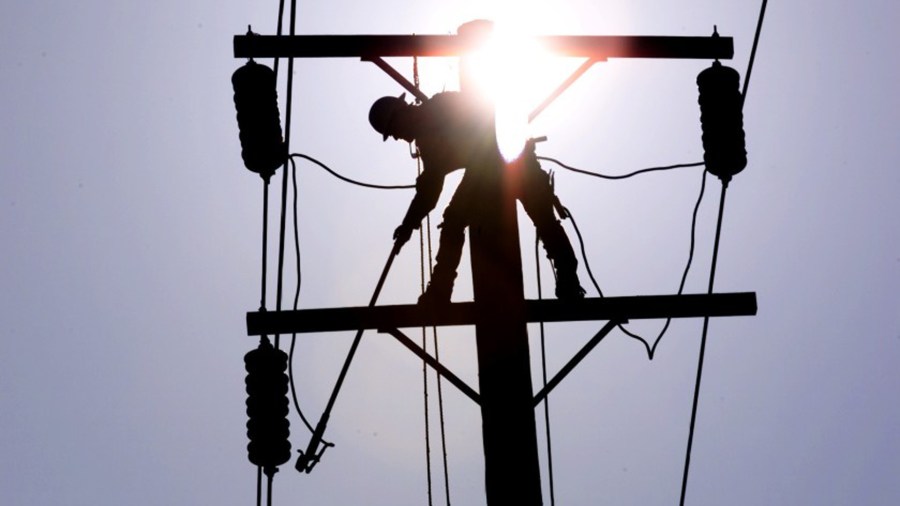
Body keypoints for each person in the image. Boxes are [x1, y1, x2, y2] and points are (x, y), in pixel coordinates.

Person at [369, 91, 585, 304]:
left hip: (500, 160)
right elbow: (429, 192)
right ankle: (568, 279)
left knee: (456, 220)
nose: (397, 137)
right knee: (542, 218)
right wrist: (408, 224)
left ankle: (440, 290)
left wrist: (409, 224)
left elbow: (489, 112)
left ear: (400, 114)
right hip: (507, 162)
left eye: (394, 130)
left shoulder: (439, 108)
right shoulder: (428, 139)